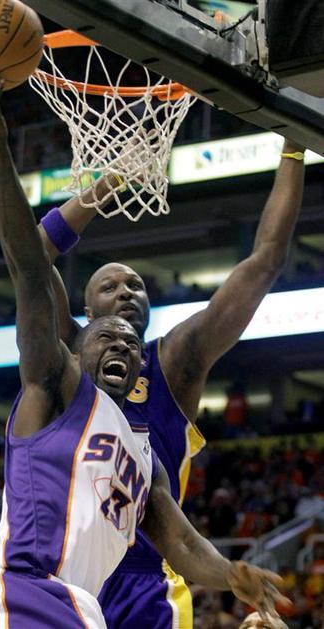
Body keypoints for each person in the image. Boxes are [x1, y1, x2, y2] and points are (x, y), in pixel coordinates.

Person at [0, 60, 289, 628]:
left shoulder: (144, 458)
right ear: (77, 342)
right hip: (21, 594)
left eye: (132, 344)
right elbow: (29, 266)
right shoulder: (55, 382)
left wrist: (231, 574)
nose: (123, 346)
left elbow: (182, 542)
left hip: (73, 607)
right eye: (107, 334)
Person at [38, 115, 306, 625]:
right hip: (64, 573)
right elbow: (34, 253)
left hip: (146, 581)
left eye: (136, 286)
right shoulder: (65, 354)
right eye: (110, 286)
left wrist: (294, 146)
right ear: (86, 312)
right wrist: (108, 182)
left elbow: (266, 260)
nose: (126, 291)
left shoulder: (175, 360)